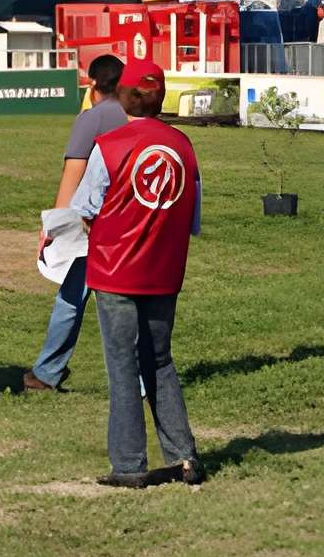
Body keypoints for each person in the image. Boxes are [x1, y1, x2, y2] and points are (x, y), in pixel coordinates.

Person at [72, 59, 201, 487]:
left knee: (123, 365)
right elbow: (192, 218)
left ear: (125, 95)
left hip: (115, 272)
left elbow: (84, 209)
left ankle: (129, 464)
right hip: (164, 272)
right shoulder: (183, 147)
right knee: (160, 360)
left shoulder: (108, 146)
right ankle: (183, 456)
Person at [23, 54, 129, 395]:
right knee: (128, 301)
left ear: (93, 83)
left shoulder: (91, 119)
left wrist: (52, 228)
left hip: (90, 223)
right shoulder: (132, 117)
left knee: (71, 297)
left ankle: (47, 372)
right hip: (129, 220)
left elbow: (74, 174)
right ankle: (140, 380)